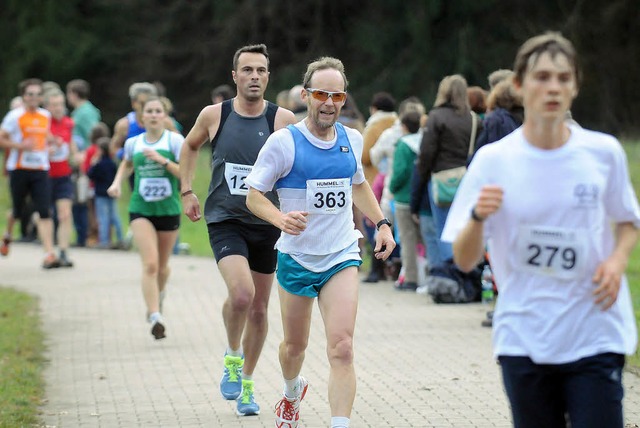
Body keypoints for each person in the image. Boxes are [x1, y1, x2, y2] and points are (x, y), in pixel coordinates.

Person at [442, 32, 640, 428]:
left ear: (576, 86)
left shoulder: (603, 153)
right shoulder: (493, 161)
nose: (553, 87)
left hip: (595, 329)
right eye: (542, 77)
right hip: (525, 334)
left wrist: (617, 261)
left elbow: (628, 220)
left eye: (563, 78)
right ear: (518, 85)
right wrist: (479, 218)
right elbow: (463, 260)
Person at [245, 56, 396, 428]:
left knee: (342, 347)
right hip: (297, 257)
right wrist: (280, 218)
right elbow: (253, 195)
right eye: (321, 94)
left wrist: (382, 223)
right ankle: (292, 390)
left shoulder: (352, 138)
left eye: (338, 96)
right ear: (305, 95)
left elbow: (358, 183)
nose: (329, 103)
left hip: (341, 253)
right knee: (294, 348)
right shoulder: (284, 143)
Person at [179, 44, 296, 416]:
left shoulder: (282, 119)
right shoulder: (216, 115)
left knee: (260, 311)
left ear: (268, 76)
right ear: (235, 76)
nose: (255, 77)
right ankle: (232, 354)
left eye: (261, 70)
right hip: (226, 219)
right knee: (242, 295)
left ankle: (246, 386)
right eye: (247, 70)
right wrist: (186, 191)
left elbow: (301, 164)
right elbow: (189, 145)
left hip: (268, 224)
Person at [108, 96, 184, 340]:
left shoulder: (174, 141)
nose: (153, 115)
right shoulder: (133, 143)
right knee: (150, 264)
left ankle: (158, 298)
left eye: (157, 111)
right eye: (148, 111)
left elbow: (186, 172)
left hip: (168, 210)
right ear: (142, 117)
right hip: (140, 208)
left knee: (162, 267)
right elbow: (126, 164)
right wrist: (117, 183)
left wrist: (163, 161)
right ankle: (154, 316)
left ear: (164, 116)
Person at [416, 74, 481, 268]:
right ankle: (468, 271)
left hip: (441, 179)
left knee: (444, 228)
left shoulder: (436, 116)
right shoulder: (474, 118)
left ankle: (450, 274)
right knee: (465, 227)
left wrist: (422, 176)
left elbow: (427, 152)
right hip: (466, 179)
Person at [0, 78, 59, 268]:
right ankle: (7, 236)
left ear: (41, 97)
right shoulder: (14, 116)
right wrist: (19, 146)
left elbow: (44, 135)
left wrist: (53, 143)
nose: (34, 97)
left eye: (37, 94)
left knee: (44, 210)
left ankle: (49, 253)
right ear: (24, 96)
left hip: (40, 169)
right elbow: (2, 138)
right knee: (18, 210)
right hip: (19, 168)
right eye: (30, 94)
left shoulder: (45, 115)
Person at [388, 110, 424, 291]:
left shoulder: (403, 145)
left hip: (403, 197)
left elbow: (400, 171)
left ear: (404, 126)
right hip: (421, 197)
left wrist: (392, 188)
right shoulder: (423, 141)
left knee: (408, 239)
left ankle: (411, 278)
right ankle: (428, 274)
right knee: (424, 238)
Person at [44, 88, 76, 267]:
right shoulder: (42, 123)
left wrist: (76, 156)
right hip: (45, 175)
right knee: (46, 215)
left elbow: (70, 144)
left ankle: (64, 252)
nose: (58, 108)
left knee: (65, 213)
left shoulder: (68, 123)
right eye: (54, 105)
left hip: (63, 174)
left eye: (61, 105)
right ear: (47, 106)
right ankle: (49, 253)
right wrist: (45, 150)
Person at [88, 137, 123, 249]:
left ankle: (104, 241)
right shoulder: (112, 163)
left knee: (103, 217)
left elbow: (90, 175)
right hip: (111, 193)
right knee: (114, 216)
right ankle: (120, 239)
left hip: (100, 194)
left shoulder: (99, 164)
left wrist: (93, 163)